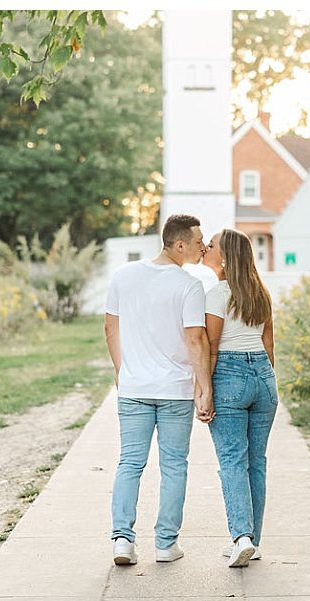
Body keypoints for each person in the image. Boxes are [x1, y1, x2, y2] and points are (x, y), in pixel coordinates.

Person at [104, 214, 214, 566]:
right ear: (179, 244)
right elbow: (196, 340)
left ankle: (122, 540)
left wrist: (124, 373)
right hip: (174, 391)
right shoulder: (188, 286)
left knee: (130, 463)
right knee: (173, 467)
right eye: (199, 241)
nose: (203, 246)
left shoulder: (124, 276)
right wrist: (204, 388)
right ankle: (166, 545)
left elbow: (110, 329)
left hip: (135, 388)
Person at [201, 229, 277, 567]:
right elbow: (269, 345)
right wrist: (264, 383)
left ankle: (241, 537)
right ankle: (253, 541)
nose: (206, 248)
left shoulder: (217, 295)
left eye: (212, 245)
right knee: (256, 462)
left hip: (229, 374)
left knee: (232, 460)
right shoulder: (261, 294)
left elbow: (211, 348)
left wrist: (205, 391)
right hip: (263, 376)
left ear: (226, 258)